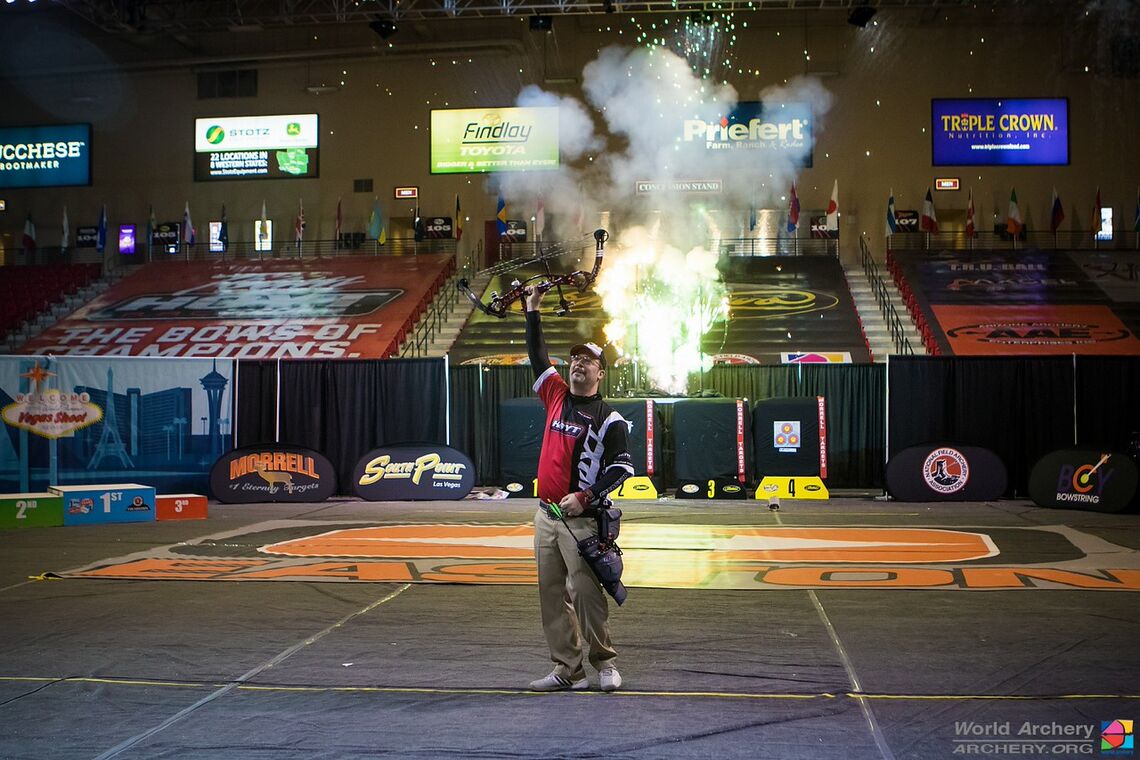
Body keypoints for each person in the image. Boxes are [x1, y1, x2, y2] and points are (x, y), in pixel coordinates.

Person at [523, 285, 633, 692]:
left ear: (600, 373)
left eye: (587, 361)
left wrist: (586, 495)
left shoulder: (610, 418)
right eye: (574, 359)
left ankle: (605, 663)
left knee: (586, 594)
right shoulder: (555, 395)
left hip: (582, 521)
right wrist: (532, 310)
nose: (578, 364)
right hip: (546, 516)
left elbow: (622, 468)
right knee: (552, 596)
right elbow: (538, 355)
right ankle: (568, 669)